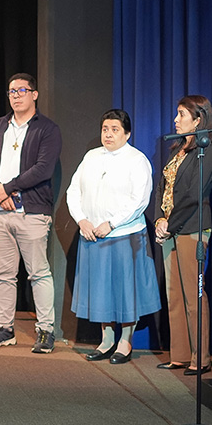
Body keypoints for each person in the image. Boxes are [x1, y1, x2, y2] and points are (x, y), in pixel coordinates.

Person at [66, 109, 161, 364]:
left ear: (127, 133)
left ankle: (125, 341)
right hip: (93, 235)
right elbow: (73, 191)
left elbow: (138, 201)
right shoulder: (91, 157)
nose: (108, 134)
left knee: (124, 289)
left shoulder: (136, 160)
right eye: (105, 129)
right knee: (101, 291)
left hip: (124, 235)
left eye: (115, 129)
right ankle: (106, 339)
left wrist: (111, 223)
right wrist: (81, 219)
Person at [0, 73, 63, 354]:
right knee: (2, 274)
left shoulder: (47, 130)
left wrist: (10, 189)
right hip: (0, 214)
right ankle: (4, 329)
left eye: (22, 90)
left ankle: (46, 331)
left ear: (34, 94)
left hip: (32, 212)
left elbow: (43, 168)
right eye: (11, 91)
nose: (16, 95)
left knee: (38, 272)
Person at [154, 95, 212, 375]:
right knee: (175, 296)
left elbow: (194, 195)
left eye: (182, 114)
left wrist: (171, 224)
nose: (176, 120)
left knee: (195, 296)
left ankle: (200, 357)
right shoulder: (177, 150)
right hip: (171, 228)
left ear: (198, 119)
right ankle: (179, 354)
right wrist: (159, 218)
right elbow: (162, 187)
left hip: (192, 228)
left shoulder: (208, 150)